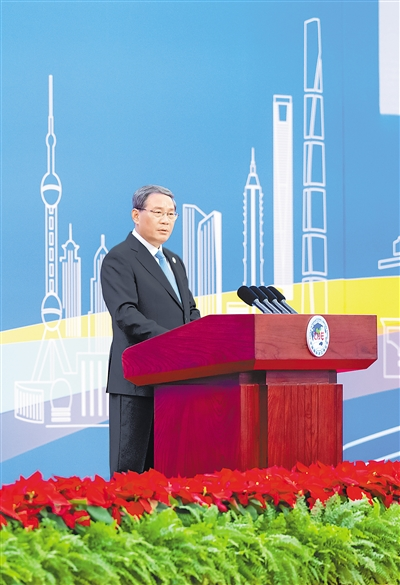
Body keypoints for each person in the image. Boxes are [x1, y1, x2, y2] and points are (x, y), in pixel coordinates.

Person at [101, 185, 200, 476]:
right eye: (158, 212)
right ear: (136, 215)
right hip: (137, 381)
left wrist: (199, 338)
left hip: (176, 382)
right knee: (131, 473)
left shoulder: (175, 262)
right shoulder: (120, 258)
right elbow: (125, 314)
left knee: (170, 471)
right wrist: (172, 341)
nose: (165, 220)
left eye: (171, 214)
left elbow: (190, 310)